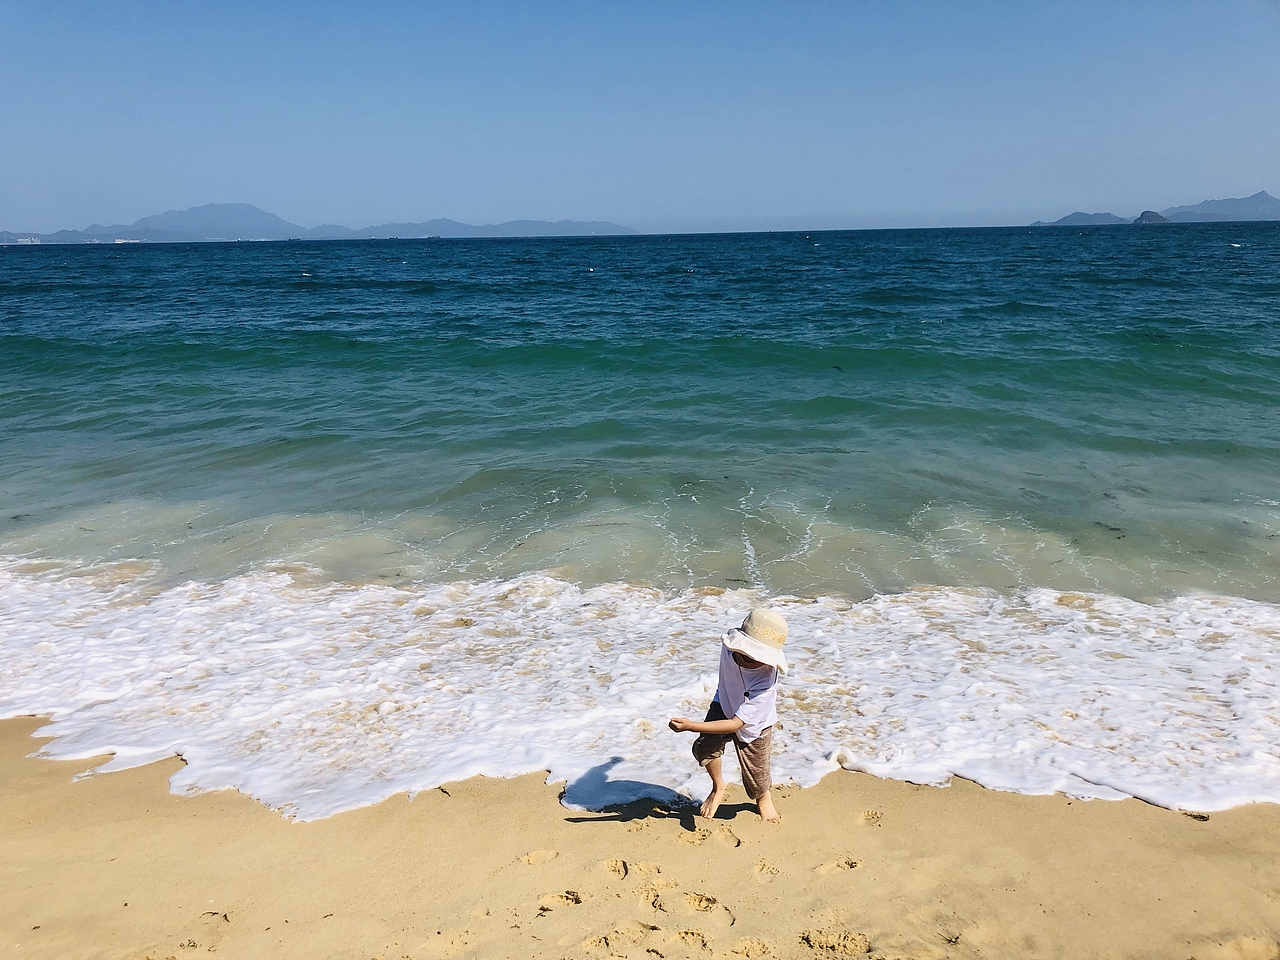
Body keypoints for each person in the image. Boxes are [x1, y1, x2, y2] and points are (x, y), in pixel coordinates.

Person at [668, 608, 788, 822]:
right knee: (705, 749)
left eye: (759, 656)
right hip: (724, 702)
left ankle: (763, 798)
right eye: (749, 653)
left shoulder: (765, 683)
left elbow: (735, 724)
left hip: (755, 723)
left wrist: (690, 725)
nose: (752, 659)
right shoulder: (729, 646)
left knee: (758, 776)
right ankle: (718, 787)